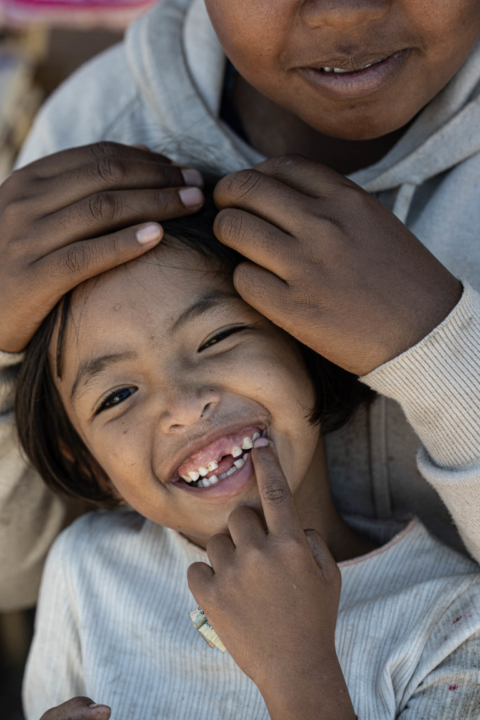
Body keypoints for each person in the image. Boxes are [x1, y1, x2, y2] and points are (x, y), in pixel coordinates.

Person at [2, 0, 480, 609]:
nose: (345, 12)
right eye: (118, 393)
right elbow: (14, 577)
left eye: (218, 338)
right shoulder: (90, 134)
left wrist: (438, 349)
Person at [17, 207, 480, 720]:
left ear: (308, 348)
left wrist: (297, 669)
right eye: (117, 395)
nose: (185, 406)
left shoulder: (454, 621)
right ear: (89, 466)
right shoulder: (87, 572)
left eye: (217, 338)